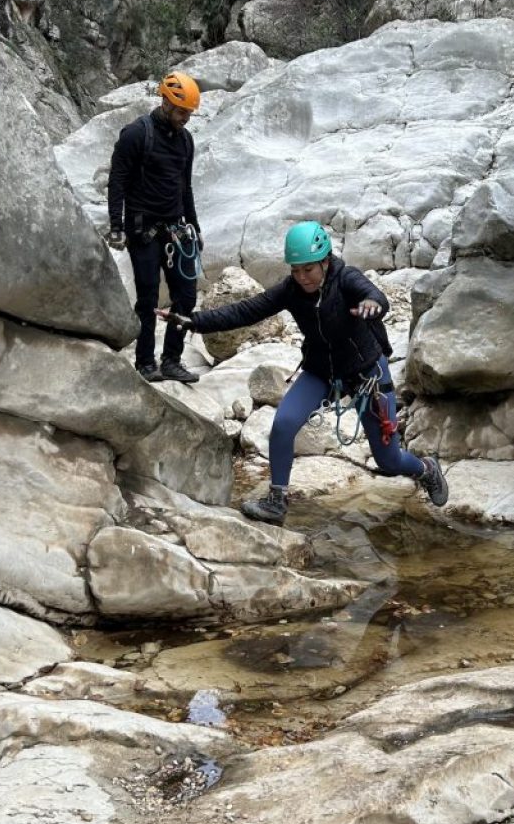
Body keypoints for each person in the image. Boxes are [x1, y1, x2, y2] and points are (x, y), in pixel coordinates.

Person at [157, 220, 449, 526]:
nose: (301, 277)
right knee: (283, 424)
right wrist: (194, 321)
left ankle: (426, 469)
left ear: (324, 260)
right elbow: (247, 310)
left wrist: (371, 305)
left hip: (366, 375)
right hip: (321, 371)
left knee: (388, 460)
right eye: (295, 270)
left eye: (308, 269)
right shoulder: (291, 290)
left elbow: (376, 297)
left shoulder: (346, 279)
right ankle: (276, 500)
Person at [107, 71, 203, 384]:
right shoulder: (137, 133)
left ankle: (172, 360)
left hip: (175, 228)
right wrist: (117, 226)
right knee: (147, 297)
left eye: (188, 113)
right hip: (143, 229)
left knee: (186, 296)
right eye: (180, 111)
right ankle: (146, 363)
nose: (184, 118)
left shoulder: (186, 141)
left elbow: (184, 186)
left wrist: (195, 226)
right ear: (164, 101)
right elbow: (117, 180)